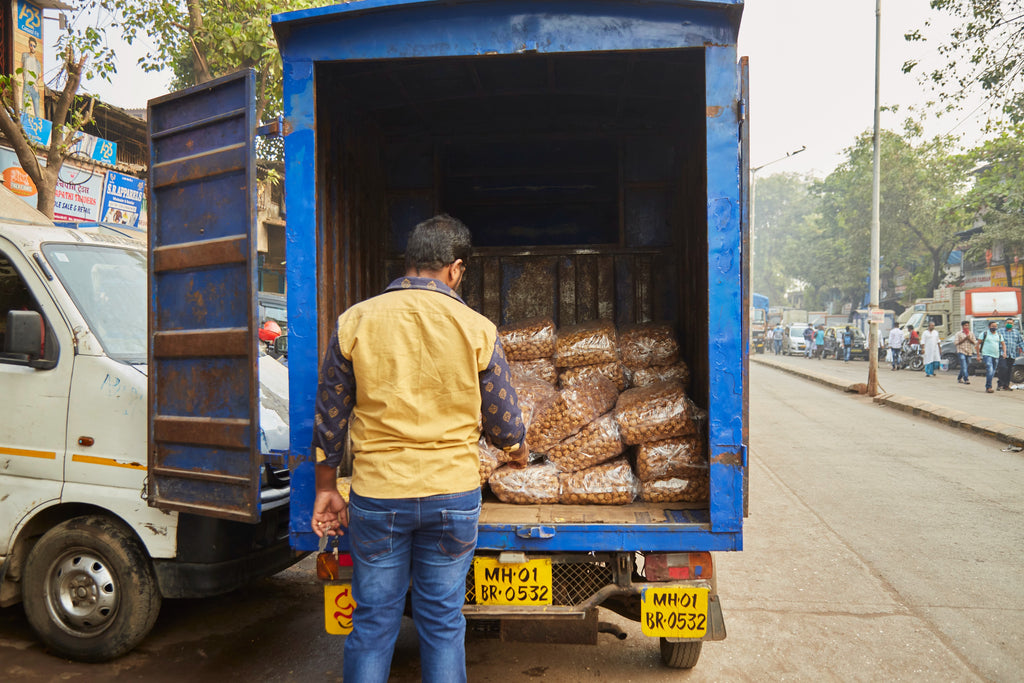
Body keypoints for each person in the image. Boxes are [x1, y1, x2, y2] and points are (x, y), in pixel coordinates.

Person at [310, 215, 526, 682]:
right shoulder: (478, 328)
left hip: (379, 495)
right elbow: (506, 423)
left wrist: (325, 487)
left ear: (409, 263)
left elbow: (330, 418)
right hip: (452, 495)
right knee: (443, 623)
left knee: (372, 624)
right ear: (455, 270)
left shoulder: (356, 321)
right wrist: (517, 451)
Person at [976, 320, 1006, 393]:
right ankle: (988, 387)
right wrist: (978, 355)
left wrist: (1004, 352)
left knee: (992, 371)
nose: (994, 327)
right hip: (987, 354)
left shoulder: (999, 335)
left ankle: (988, 384)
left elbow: (1003, 344)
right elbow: (977, 345)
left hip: (996, 355)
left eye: (995, 326)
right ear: (989, 327)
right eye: (993, 326)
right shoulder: (984, 334)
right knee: (990, 369)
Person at [997, 318, 1023, 390]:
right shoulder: (1000, 331)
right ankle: (1000, 384)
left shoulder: (1016, 332)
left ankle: (1006, 385)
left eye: (1011, 323)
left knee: (1009, 370)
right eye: (1008, 322)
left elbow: (1020, 342)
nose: (1009, 324)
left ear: (1013, 324)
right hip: (1002, 353)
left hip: (1012, 354)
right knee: (1003, 368)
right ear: (1005, 323)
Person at [21, 37, 41, 117]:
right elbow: (22, 68)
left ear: (36, 46)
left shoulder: (37, 62)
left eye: (34, 46)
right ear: (29, 46)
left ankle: (38, 127)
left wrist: (36, 84)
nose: (32, 47)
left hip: (34, 86)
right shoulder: (25, 55)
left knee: (37, 110)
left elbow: (39, 75)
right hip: (27, 83)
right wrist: (25, 80)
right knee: (24, 108)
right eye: (31, 45)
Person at [953, 320, 977, 385]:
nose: (967, 327)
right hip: (961, 351)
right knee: (963, 365)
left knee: (966, 365)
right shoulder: (958, 334)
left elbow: (975, 342)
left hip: (969, 351)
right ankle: (966, 379)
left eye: (968, 325)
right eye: (965, 325)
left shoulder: (971, 333)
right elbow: (956, 343)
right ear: (962, 326)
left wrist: (969, 339)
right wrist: (964, 339)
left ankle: (959, 377)